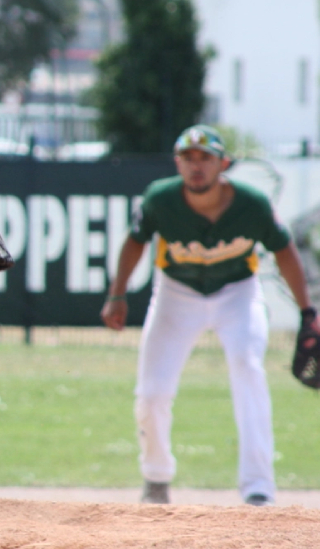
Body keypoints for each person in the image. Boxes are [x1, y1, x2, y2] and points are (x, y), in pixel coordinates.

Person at [100, 124, 316, 507]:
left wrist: (307, 310)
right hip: (175, 292)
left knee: (248, 368)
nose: (196, 166)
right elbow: (134, 243)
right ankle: (156, 478)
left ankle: (258, 488)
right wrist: (117, 294)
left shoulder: (252, 204)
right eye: (188, 158)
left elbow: (285, 252)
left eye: (206, 158)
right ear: (177, 163)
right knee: (152, 393)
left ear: (224, 164)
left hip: (238, 292)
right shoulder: (160, 199)